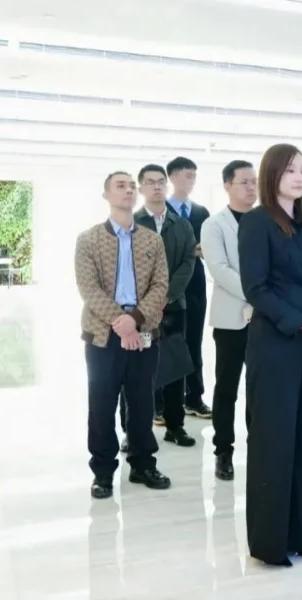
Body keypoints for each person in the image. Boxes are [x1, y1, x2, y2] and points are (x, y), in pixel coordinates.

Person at [238, 143, 302, 567]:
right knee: (273, 440)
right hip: (275, 344)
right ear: (272, 175)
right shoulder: (258, 222)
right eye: (290, 170)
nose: (299, 177)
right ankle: (269, 543)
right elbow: (256, 288)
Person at [74, 171, 172, 499]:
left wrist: (136, 320)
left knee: (142, 402)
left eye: (132, 186)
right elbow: (89, 288)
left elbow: (160, 285)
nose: (128, 190)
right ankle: (102, 472)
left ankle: (143, 464)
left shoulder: (152, 240)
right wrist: (121, 321)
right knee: (101, 404)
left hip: (143, 330)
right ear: (106, 195)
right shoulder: (88, 239)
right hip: (103, 334)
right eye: (121, 185)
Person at [119, 164, 197, 453]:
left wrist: (167, 295)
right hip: (139, 312)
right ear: (140, 188)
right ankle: (131, 431)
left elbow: (188, 262)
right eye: (150, 182)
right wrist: (150, 301)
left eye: (161, 182)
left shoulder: (182, 225)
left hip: (174, 307)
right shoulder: (131, 223)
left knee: (175, 366)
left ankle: (175, 426)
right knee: (135, 370)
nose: (156, 187)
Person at [200, 159, 258, 481]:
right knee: (227, 387)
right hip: (231, 318)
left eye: (254, 181)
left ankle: (259, 446)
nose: (251, 187)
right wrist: (258, 295)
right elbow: (219, 270)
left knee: (259, 387)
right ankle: (223, 450)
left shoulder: (267, 220)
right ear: (227, 185)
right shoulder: (214, 224)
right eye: (244, 182)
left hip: (265, 319)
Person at [166, 156, 212, 418]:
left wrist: (205, 250)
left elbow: (210, 246)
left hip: (195, 282)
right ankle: (163, 402)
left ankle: (194, 397)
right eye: (187, 175)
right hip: (170, 282)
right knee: (169, 341)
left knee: (194, 339)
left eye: (194, 175)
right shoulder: (161, 210)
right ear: (172, 177)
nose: (191, 180)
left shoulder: (201, 212)